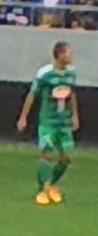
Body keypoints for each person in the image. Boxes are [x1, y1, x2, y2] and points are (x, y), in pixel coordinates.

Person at [17, 40, 79, 202]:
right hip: (48, 121)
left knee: (67, 157)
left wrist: (74, 115)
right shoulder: (45, 73)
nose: (72, 56)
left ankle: (51, 184)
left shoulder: (71, 74)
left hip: (64, 122)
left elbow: (72, 94)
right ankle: (42, 190)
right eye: (69, 53)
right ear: (60, 55)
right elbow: (32, 95)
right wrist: (23, 117)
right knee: (48, 154)